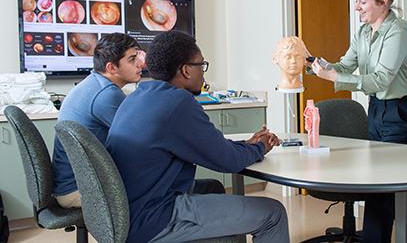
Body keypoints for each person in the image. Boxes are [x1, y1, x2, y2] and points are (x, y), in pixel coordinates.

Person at [105, 30, 289, 243]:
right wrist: (260, 147)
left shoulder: (138, 96)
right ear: (186, 70)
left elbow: (214, 148)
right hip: (150, 218)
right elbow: (229, 161)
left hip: (125, 211)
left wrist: (247, 144)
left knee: (214, 187)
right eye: (201, 65)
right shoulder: (177, 103)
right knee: (273, 213)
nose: (203, 72)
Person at [308, 0, 407, 243]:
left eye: (362, 2)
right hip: (376, 111)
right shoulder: (362, 32)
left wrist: (335, 78)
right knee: (378, 183)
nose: (357, 8)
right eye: (356, 2)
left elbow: (382, 79)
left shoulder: (400, 32)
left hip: (400, 114)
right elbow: (345, 66)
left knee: (397, 186)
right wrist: (313, 65)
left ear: (382, 2)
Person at [52, 33, 143, 208]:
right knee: (157, 176)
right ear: (112, 68)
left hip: (70, 183)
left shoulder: (95, 83)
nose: (140, 63)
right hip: (79, 189)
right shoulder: (106, 94)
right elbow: (141, 139)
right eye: (132, 60)